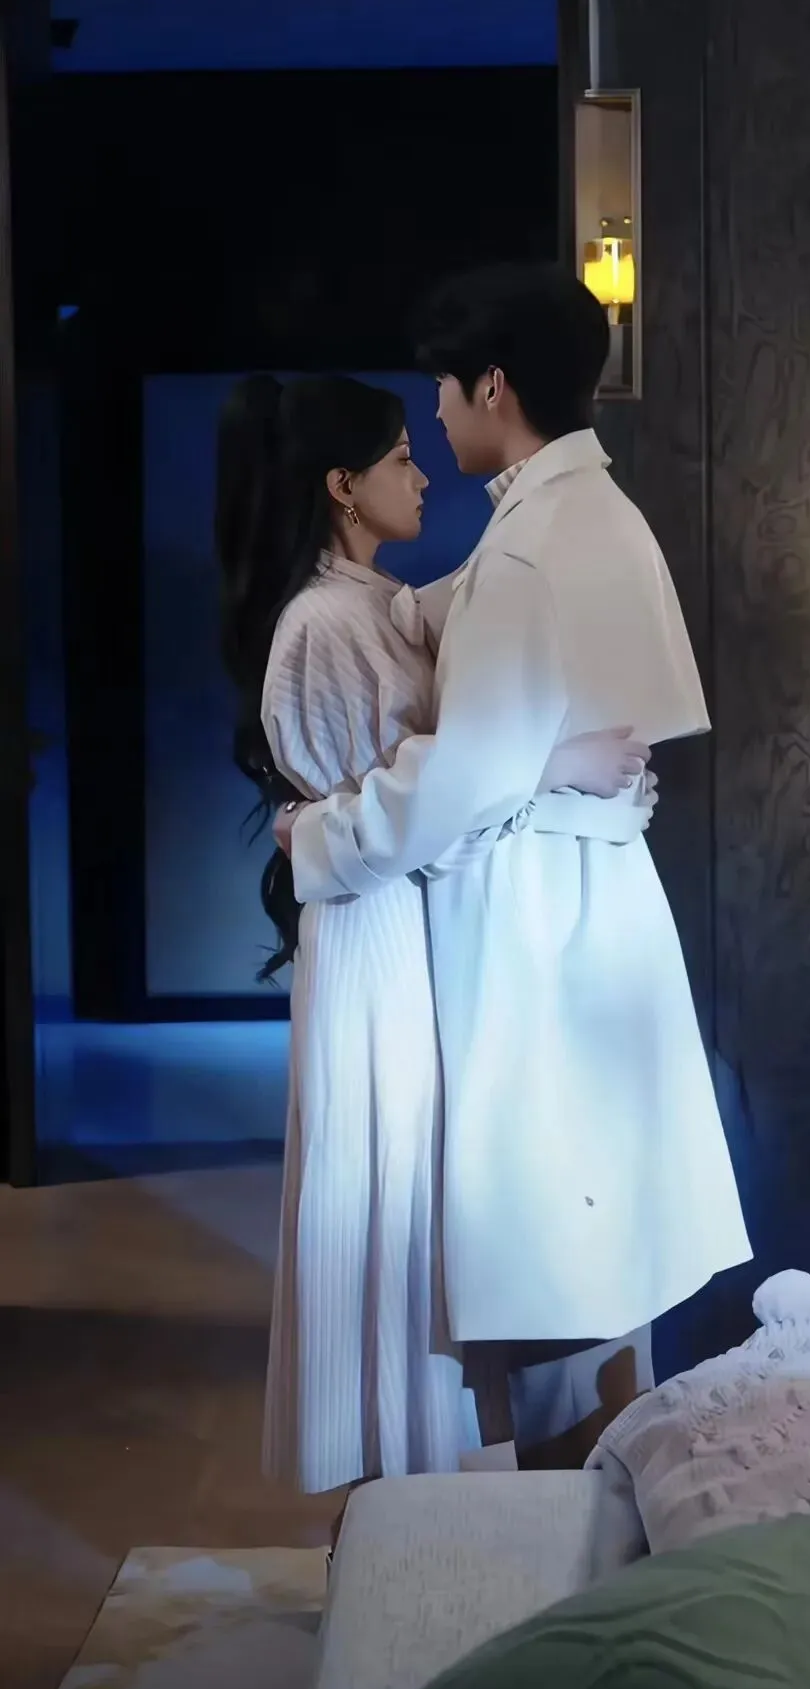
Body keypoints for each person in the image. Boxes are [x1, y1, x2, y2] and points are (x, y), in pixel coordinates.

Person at [276, 264, 752, 1453]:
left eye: (442, 390)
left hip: (536, 924)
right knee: (591, 1267)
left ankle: (557, 1530)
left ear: (492, 386)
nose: (435, 420)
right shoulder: (583, 514)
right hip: (591, 905)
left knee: (551, 1277)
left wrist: (319, 839)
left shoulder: (534, 541)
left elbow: (463, 776)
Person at [215, 371, 653, 1494]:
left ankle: (435, 1509)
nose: (421, 476)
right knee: (390, 1206)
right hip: (377, 944)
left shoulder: (374, 604)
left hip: (406, 928)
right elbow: (421, 810)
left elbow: (437, 765)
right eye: (400, 458)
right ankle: (393, 1517)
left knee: (426, 1214)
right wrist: (554, 769)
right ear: (342, 486)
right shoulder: (322, 622)